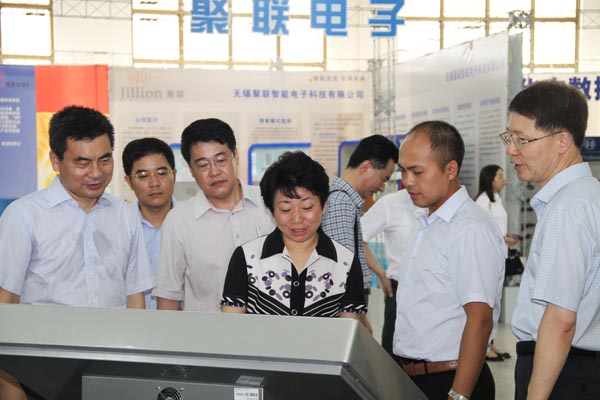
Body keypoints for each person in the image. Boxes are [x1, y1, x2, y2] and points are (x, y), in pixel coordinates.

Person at [394, 120, 505, 400]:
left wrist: (459, 395)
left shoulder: (470, 229)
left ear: (451, 170)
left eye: (417, 171)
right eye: (403, 171)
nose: (408, 181)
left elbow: (480, 320)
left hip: (452, 381)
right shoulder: (427, 221)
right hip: (417, 378)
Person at [0, 105, 152, 308]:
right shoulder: (24, 216)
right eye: (83, 163)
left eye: (104, 160)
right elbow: (7, 297)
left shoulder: (125, 215)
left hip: (113, 330)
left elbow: (134, 295)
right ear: (56, 161)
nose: (96, 173)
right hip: (45, 330)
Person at [505, 80, 600, 399]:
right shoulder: (591, 196)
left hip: (560, 373)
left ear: (562, 141)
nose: (511, 150)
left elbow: (560, 320)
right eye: (510, 137)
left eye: (523, 140)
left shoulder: (567, 210)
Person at [221, 151, 366, 317]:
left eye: (307, 207)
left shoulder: (346, 262)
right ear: (271, 211)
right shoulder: (246, 258)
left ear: (324, 206)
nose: (297, 219)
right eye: (285, 209)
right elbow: (231, 325)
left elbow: (348, 328)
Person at [154, 118, 274, 312]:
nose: (214, 171)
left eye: (220, 160)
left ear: (236, 156)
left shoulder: (270, 203)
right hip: (206, 331)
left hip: (270, 328)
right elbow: (169, 297)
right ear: (191, 170)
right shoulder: (179, 221)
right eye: (203, 165)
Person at [321, 134, 398, 332]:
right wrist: (359, 319)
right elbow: (341, 273)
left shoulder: (345, 201)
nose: (382, 187)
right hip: (346, 311)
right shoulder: (341, 204)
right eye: (383, 179)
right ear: (366, 167)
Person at [361, 188, 419, 355]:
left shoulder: (448, 205)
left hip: (440, 297)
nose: (410, 180)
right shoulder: (393, 203)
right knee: (393, 358)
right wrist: (381, 273)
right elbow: (357, 236)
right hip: (399, 293)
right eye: (405, 174)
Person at [123, 137, 177, 309]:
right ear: (129, 182)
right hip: (132, 322)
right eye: (143, 176)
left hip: (185, 322)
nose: (154, 183)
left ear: (174, 175)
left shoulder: (191, 224)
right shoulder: (120, 227)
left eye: (161, 173)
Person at [474, 164, 521, 362]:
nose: (504, 180)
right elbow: (481, 231)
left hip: (499, 256)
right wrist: (503, 239)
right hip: (487, 258)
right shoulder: (482, 202)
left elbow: (496, 227)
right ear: (490, 179)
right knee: (487, 303)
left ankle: (490, 342)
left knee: (495, 303)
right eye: (500, 176)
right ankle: (483, 346)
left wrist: (506, 236)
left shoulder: (497, 199)